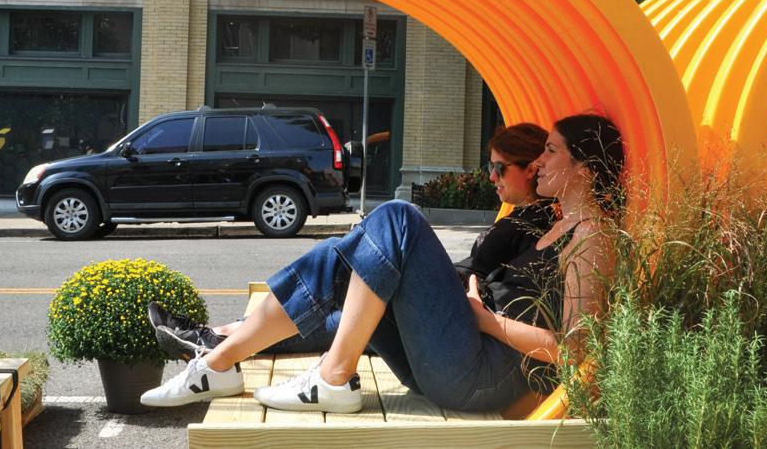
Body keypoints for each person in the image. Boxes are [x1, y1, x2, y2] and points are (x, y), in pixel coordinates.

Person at [141, 114, 624, 414]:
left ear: (583, 168)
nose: (540, 162)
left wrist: (485, 320)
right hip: (457, 356)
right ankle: (219, 361)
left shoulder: (593, 239)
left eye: (551, 151)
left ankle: (320, 375)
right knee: (349, 254)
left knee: (398, 218)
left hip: (480, 374)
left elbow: (574, 352)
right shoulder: (559, 225)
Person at [149, 122, 558, 359]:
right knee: (338, 289)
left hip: (449, 316)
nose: (491, 177)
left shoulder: (532, 221)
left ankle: (216, 340)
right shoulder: (523, 218)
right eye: (489, 167)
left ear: (532, 169)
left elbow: (484, 282)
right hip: (445, 307)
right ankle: (216, 337)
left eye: (500, 168)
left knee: (342, 277)